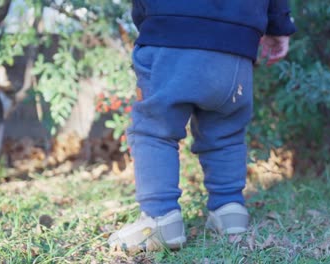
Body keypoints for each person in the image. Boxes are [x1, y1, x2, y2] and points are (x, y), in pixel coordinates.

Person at [108, 0, 296, 253]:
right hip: (236, 44)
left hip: (170, 30)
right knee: (226, 131)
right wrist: (279, 26)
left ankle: (160, 218)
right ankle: (229, 210)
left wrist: (146, 19)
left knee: (155, 130)